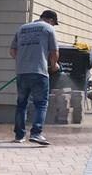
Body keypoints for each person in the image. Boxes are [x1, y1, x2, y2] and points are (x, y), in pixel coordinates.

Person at [9, 9, 60, 146]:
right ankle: (36, 133)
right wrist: (54, 65)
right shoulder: (48, 28)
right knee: (41, 104)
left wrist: (22, 61)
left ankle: (19, 136)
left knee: (21, 104)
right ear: (50, 20)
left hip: (21, 73)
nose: (53, 25)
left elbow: (12, 51)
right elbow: (54, 51)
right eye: (54, 23)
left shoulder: (22, 28)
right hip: (39, 72)